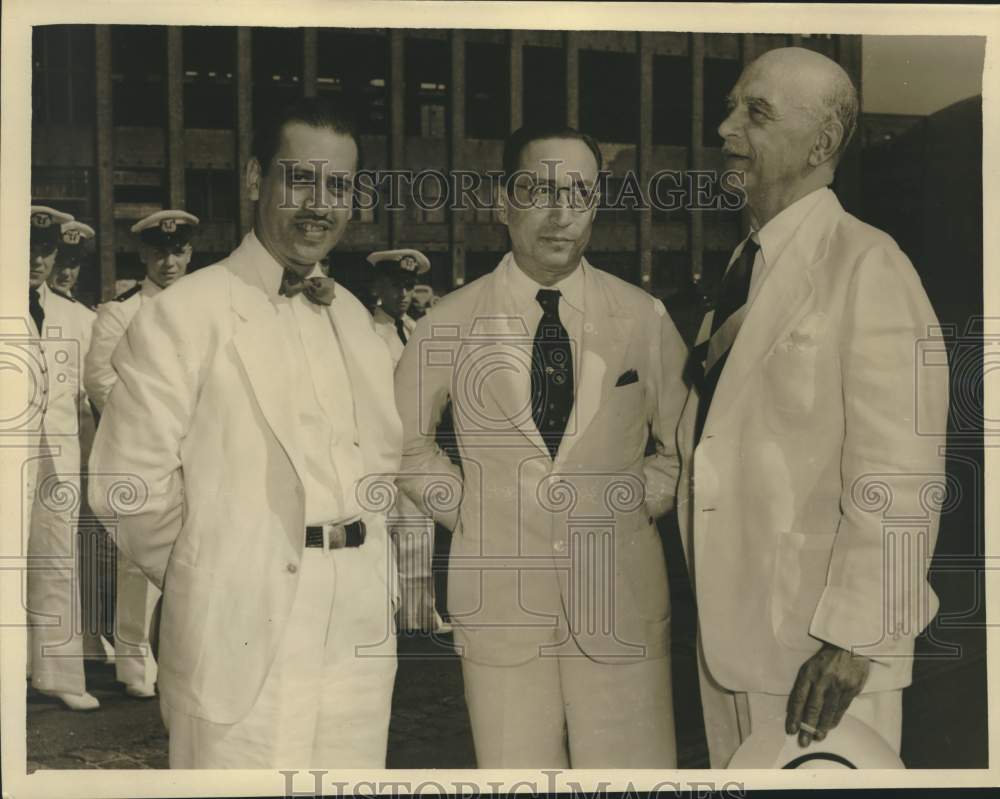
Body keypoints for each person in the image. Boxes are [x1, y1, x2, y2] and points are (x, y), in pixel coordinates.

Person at [88, 97, 401, 768]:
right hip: (240, 634)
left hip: (357, 634)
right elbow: (125, 487)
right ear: (257, 179)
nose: (321, 202)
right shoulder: (184, 314)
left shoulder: (353, 316)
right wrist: (216, 575)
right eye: (301, 178)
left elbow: (381, 463)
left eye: (338, 185)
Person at [676, 47, 949, 767]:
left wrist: (856, 638)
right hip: (732, 648)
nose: (726, 129)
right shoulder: (741, 269)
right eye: (732, 108)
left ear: (822, 144)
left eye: (755, 113)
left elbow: (903, 472)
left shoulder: (868, 265)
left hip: (819, 661)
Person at [395, 124, 689, 768]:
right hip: (500, 603)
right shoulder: (449, 321)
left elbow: (682, 445)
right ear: (503, 203)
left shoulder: (643, 317)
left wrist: (637, 500)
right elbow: (405, 445)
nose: (561, 215)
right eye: (539, 192)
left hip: (621, 598)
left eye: (579, 194)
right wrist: (471, 511)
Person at [83, 209, 199, 700]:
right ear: (142, 256)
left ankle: (183, 650)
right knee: (139, 553)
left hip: (201, 444)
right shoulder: (122, 310)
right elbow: (99, 378)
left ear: (189, 253)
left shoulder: (205, 304)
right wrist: (145, 426)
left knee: (197, 548)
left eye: (177, 251)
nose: (168, 261)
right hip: (145, 447)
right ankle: (133, 659)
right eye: (158, 253)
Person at [26, 206, 99, 711]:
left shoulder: (78, 317)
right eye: (29, 248)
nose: (38, 259)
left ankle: (58, 674)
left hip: (59, 455)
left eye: (46, 250)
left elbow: (93, 393)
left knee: (57, 559)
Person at [368, 249, 451, 635]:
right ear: (378, 288)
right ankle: (384, 615)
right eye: (394, 286)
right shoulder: (367, 334)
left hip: (417, 446)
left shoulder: (417, 330)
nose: (402, 294)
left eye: (407, 286)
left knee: (420, 530)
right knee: (385, 534)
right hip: (381, 449)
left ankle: (420, 615)